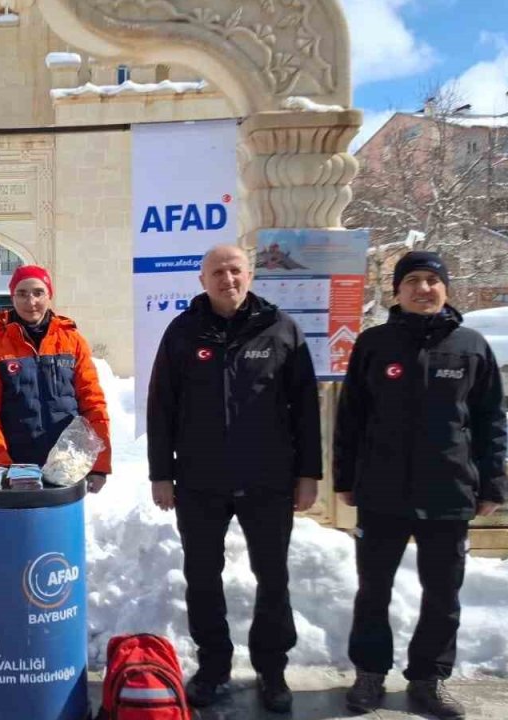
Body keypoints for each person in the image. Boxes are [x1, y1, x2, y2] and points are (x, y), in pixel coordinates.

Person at [146, 243, 321, 713]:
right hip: (201, 480)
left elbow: (306, 408)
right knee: (202, 577)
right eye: (218, 272)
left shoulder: (280, 329)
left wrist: (308, 474)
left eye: (235, 270)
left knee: (273, 576)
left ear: (250, 275)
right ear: (203, 281)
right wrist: (162, 474)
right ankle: (214, 665)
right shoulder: (183, 333)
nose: (228, 279)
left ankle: (272, 669)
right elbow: (161, 408)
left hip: (268, 478)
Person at [336, 251, 508, 720]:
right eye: (412, 280)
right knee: (373, 589)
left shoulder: (471, 346)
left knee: (443, 593)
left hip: (448, 490)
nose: (423, 288)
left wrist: (492, 483)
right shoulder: (374, 344)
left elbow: (491, 419)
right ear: (397, 291)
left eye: (432, 280)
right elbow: (350, 418)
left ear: (446, 289)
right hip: (381, 490)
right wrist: (346, 479)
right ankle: (370, 674)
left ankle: (428, 679)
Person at [0, 265, 111, 492]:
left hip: (67, 468)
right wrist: (0, 465)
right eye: (22, 293)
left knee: (60, 528)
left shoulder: (72, 342)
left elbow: (92, 403)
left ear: (49, 295)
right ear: (12, 297)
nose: (31, 301)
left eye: (38, 292)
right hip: (16, 473)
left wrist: (99, 464)